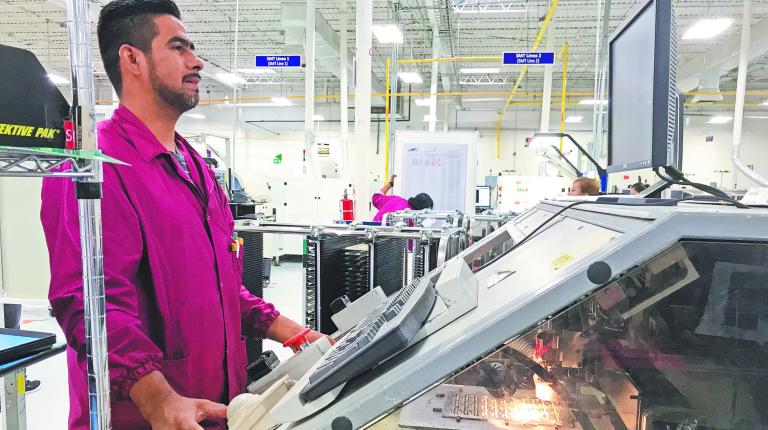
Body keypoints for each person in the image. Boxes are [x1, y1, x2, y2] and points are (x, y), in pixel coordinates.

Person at [40, 1, 324, 428]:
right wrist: (159, 400)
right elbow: (87, 303)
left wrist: (296, 334)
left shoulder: (195, 167)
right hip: (145, 417)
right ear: (131, 58)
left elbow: (219, 287)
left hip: (214, 409)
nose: (196, 62)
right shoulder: (91, 167)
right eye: (178, 47)